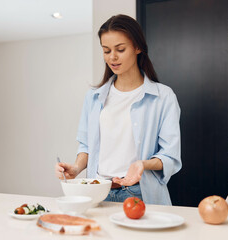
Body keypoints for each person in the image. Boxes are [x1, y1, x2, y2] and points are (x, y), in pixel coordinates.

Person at [55, 14, 181, 205]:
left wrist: (142, 165)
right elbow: (87, 146)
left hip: (139, 194)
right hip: (97, 192)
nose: (112, 57)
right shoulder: (94, 97)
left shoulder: (163, 97)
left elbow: (170, 155)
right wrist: (76, 168)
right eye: (106, 51)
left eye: (120, 49)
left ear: (137, 47)